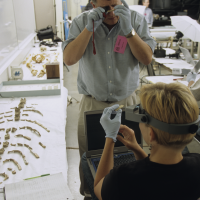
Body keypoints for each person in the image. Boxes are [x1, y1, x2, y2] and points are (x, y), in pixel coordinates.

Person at [62, 0, 156, 198]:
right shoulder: (81, 22)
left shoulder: (136, 20)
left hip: (127, 102)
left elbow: (147, 59)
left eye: (115, 4)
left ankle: (129, 193)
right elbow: (69, 59)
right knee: (90, 155)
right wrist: (89, 29)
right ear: (94, 4)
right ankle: (91, 193)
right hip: (92, 103)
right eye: (105, 7)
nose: (111, 11)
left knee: (129, 155)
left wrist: (129, 31)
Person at [81, 82, 200, 200]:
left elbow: (99, 189)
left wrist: (110, 138)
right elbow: (158, 174)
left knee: (86, 158)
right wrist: (137, 149)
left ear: (151, 133)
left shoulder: (122, 177)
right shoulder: (197, 165)